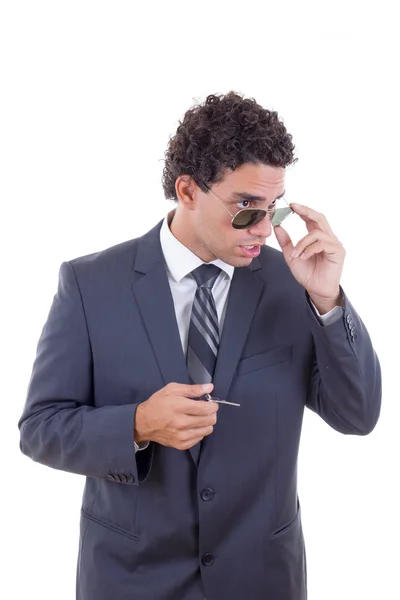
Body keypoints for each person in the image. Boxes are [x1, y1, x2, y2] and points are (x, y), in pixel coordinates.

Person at [18, 91, 382, 600]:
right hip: (130, 580)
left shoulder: (291, 284)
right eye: (244, 209)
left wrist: (328, 302)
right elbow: (40, 427)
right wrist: (138, 423)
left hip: (262, 581)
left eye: (273, 211)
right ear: (187, 190)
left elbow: (358, 414)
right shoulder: (90, 284)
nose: (261, 229)